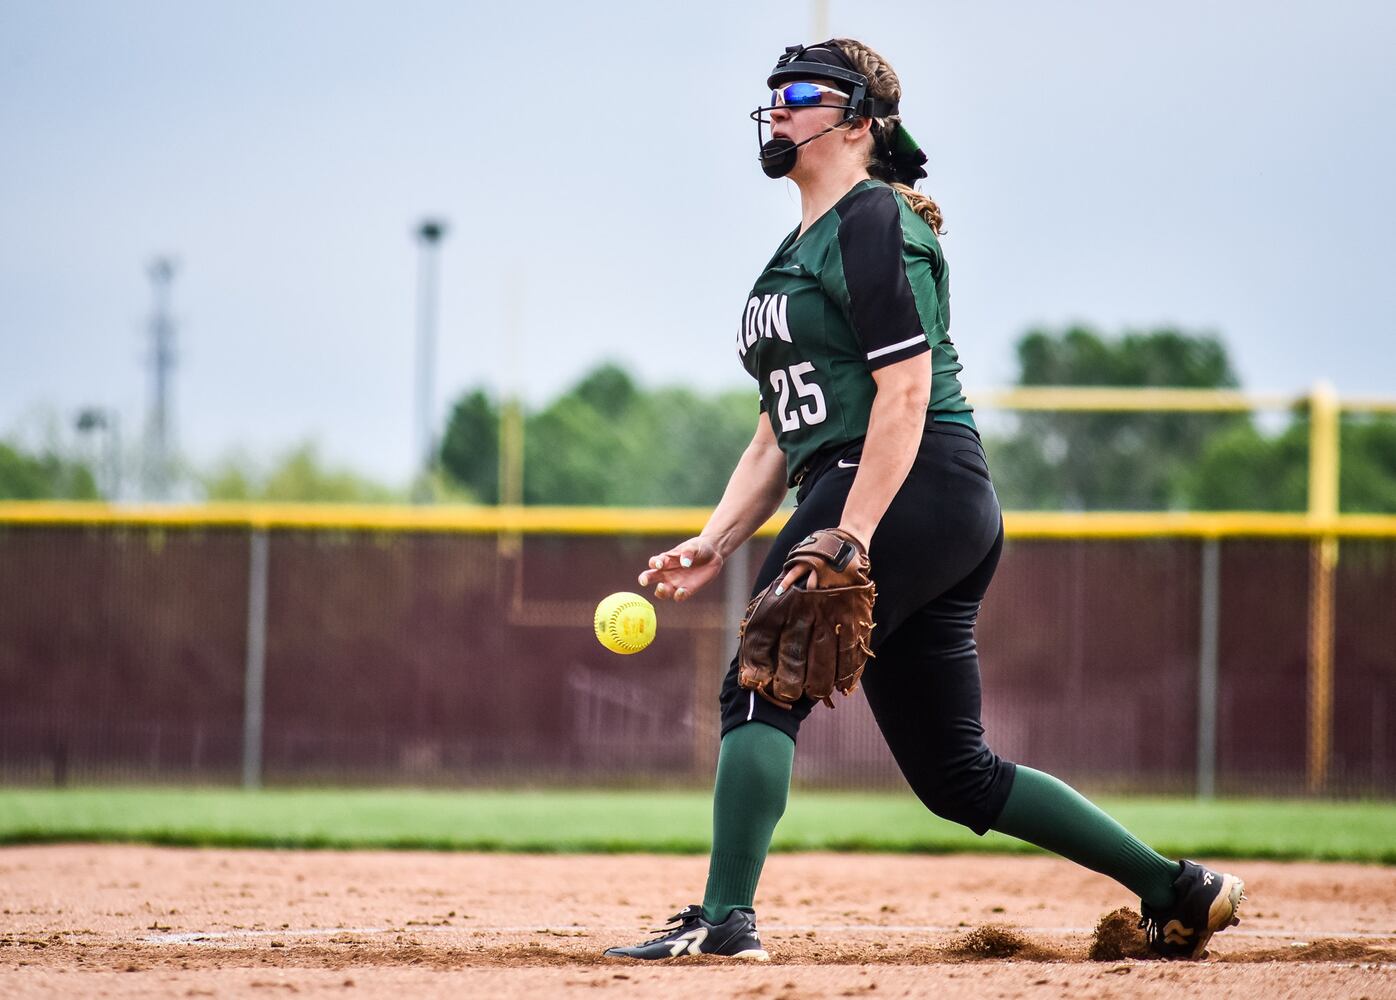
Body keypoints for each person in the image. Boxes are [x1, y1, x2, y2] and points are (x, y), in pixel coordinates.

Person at [603, 38, 1244, 963]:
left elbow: (904, 395)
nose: (776, 106)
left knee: (763, 680)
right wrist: (712, 539)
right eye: (772, 92)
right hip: (910, 495)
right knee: (957, 775)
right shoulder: (801, 245)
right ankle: (1177, 888)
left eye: (800, 92)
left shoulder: (872, 221)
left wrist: (850, 533)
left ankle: (721, 920)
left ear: (859, 118)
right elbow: (774, 432)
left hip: (896, 483)